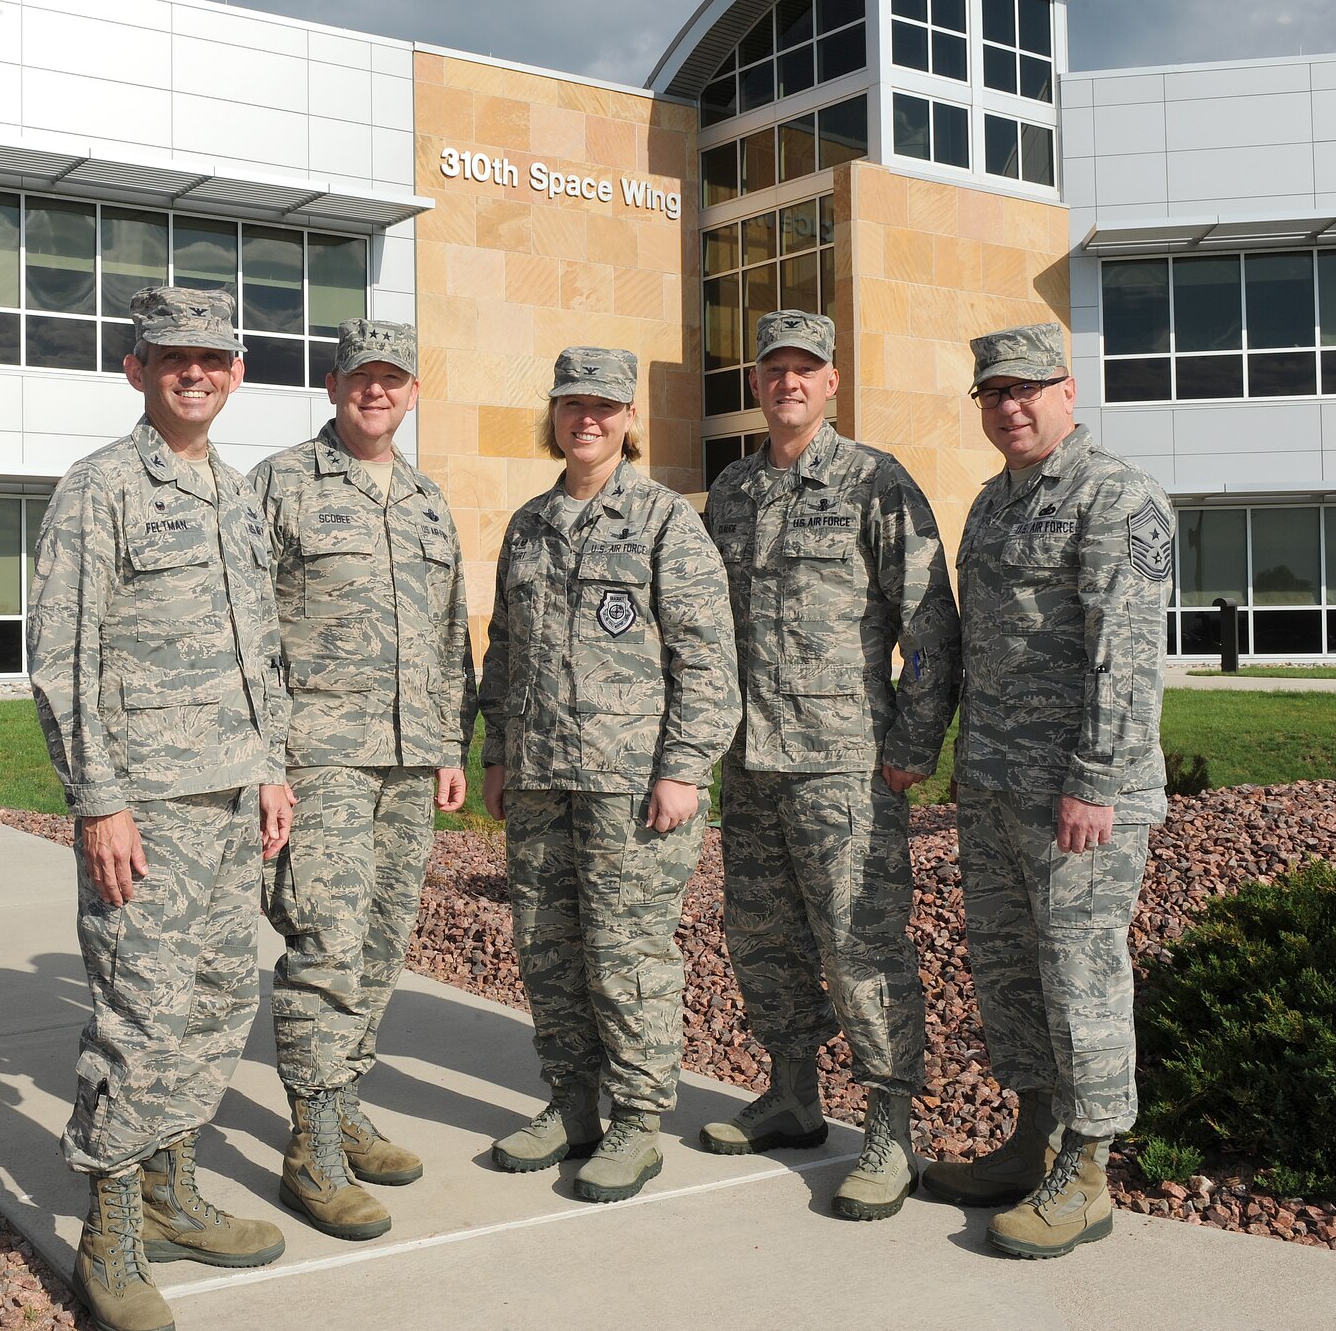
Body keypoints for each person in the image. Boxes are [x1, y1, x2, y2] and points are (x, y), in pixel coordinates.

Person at [28, 286, 295, 1331]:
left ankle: (170, 1188)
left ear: (236, 375)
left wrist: (270, 764)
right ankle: (110, 1229)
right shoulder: (100, 488)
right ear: (136, 368)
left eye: (213, 358)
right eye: (172, 354)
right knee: (139, 1016)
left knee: (223, 997)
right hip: (147, 802)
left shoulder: (233, 493)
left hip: (235, 798)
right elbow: (63, 657)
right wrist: (98, 801)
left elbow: (258, 645)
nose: (195, 370)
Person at [697, 310, 961, 1221]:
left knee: (861, 947)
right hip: (750, 761)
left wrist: (911, 745)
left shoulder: (874, 484)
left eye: (807, 369)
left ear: (833, 382)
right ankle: (792, 1093)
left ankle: (890, 1124)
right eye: (775, 369)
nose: (790, 384)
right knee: (763, 941)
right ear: (758, 381)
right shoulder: (730, 492)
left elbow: (928, 627)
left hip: (846, 767)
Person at [929, 322, 1173, 1259]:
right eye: (993, 392)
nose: (1010, 406)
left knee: (1081, 973)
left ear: (1069, 392)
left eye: (1028, 388)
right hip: (993, 784)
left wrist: (1097, 781)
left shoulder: (1116, 498)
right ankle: (1033, 1138)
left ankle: (1090, 1170)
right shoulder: (992, 504)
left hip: (1080, 797)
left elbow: (1128, 654)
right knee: (1008, 970)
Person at [479, 346, 740, 1203]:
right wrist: (497, 754)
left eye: (603, 406)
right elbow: (505, 650)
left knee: (627, 957)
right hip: (543, 779)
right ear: (552, 416)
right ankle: (571, 1104)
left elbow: (708, 660)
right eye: (570, 404)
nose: (585, 419)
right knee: (548, 951)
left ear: (628, 420)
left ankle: (636, 1122)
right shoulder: (528, 524)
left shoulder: (666, 521)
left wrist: (684, 768)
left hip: (634, 790)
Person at [247, 319, 476, 1242]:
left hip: (409, 758)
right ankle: (310, 1148)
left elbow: (453, 631)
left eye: (393, 379)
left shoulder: (426, 499)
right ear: (333, 384)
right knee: (326, 946)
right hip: (321, 759)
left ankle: (341, 1104)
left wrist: (451, 741)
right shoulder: (282, 485)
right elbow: (248, 633)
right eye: (359, 377)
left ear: (414, 391)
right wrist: (267, 761)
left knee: (380, 947)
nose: (375, 392)